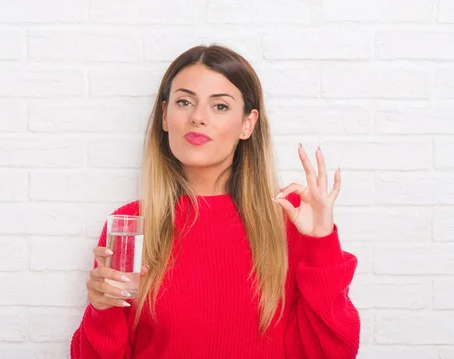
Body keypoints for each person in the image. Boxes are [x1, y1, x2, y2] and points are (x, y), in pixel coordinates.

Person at [70, 44, 360, 359]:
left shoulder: (291, 215)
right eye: (184, 102)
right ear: (165, 116)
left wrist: (321, 243)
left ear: (248, 124)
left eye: (219, 106)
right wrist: (103, 309)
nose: (198, 118)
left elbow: (333, 352)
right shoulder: (131, 225)